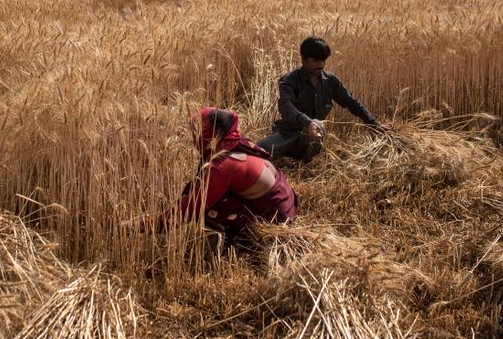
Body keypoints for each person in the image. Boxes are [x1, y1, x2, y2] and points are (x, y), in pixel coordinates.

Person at [157, 107, 298, 236]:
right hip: (287, 204)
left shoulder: (223, 166)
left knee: (209, 206)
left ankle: (236, 240)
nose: (194, 137)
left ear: (211, 133)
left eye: (197, 130)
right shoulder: (238, 143)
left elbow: (190, 209)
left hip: (277, 220)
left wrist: (145, 225)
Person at [258, 37, 389, 163]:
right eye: (315, 61)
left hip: (315, 136)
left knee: (318, 124)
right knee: (258, 151)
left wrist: (374, 123)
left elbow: (351, 103)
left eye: (323, 61)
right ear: (304, 59)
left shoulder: (330, 81)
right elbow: (287, 106)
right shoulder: (289, 80)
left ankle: (306, 161)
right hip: (287, 134)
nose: (320, 65)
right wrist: (308, 123)